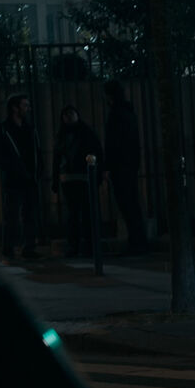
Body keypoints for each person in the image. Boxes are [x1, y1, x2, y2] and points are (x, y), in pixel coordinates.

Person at [0, 93, 42, 260]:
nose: (28, 108)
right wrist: (12, 167)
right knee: (11, 215)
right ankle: (9, 248)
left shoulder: (30, 129)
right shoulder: (3, 130)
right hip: (13, 180)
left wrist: (38, 171)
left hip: (30, 178)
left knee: (30, 215)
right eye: (25, 105)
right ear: (15, 108)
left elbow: (37, 152)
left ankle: (29, 248)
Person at [51, 106, 104, 258]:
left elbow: (97, 153)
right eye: (66, 115)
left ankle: (83, 245)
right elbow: (56, 159)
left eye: (71, 114)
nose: (68, 117)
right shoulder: (84, 133)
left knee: (82, 213)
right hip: (73, 178)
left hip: (78, 177)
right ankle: (81, 245)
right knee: (77, 214)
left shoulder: (71, 134)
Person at [102, 80, 147, 255]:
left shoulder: (117, 114)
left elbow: (113, 143)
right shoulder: (128, 113)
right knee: (131, 204)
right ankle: (138, 241)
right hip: (128, 165)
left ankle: (136, 242)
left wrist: (108, 166)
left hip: (120, 166)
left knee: (127, 204)